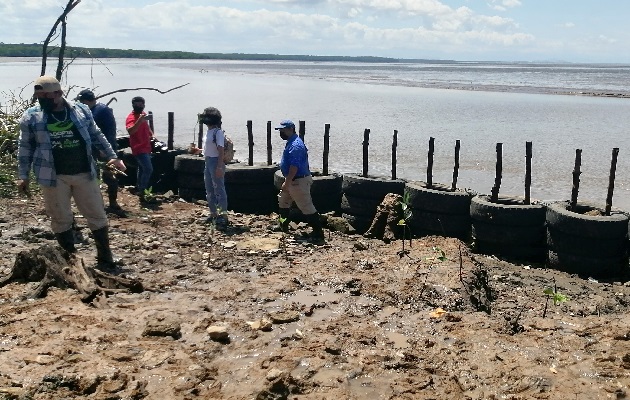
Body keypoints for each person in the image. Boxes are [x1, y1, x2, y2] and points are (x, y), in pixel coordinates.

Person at [16, 75, 126, 269]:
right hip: (53, 176)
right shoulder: (32, 116)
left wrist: (113, 156)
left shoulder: (81, 110)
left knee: (97, 214)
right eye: (40, 98)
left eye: (47, 97)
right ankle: (70, 261)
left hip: (84, 173)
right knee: (60, 217)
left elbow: (96, 134)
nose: (43, 101)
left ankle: (105, 257)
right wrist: (23, 176)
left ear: (59, 93)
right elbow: (25, 147)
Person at [275, 119, 325, 242]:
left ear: (291, 129)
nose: (280, 132)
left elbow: (294, 167)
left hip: (298, 181)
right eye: (280, 130)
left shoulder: (296, 145)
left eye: (283, 130)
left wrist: (287, 182)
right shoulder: (290, 142)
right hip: (292, 179)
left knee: (306, 206)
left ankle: (318, 233)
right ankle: (283, 225)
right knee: (283, 200)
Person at [76, 89, 122, 212]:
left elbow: (107, 133)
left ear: (86, 101)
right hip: (96, 149)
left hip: (105, 150)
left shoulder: (102, 111)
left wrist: (104, 150)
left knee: (109, 176)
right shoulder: (93, 110)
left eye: (81, 101)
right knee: (94, 176)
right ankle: (98, 203)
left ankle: (113, 203)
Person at [190, 107, 228, 228]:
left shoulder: (218, 132)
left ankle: (223, 215)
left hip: (216, 161)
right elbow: (209, 149)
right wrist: (199, 151)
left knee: (219, 189)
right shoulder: (209, 132)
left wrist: (219, 167)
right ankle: (213, 213)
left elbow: (220, 150)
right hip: (208, 160)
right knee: (209, 189)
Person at [125, 96, 154, 203]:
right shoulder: (131, 117)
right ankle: (143, 191)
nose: (139, 106)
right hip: (138, 148)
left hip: (146, 146)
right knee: (148, 169)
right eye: (137, 104)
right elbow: (131, 131)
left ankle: (139, 188)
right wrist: (139, 120)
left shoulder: (143, 115)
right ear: (133, 105)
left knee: (142, 169)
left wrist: (152, 135)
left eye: (141, 104)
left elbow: (146, 126)